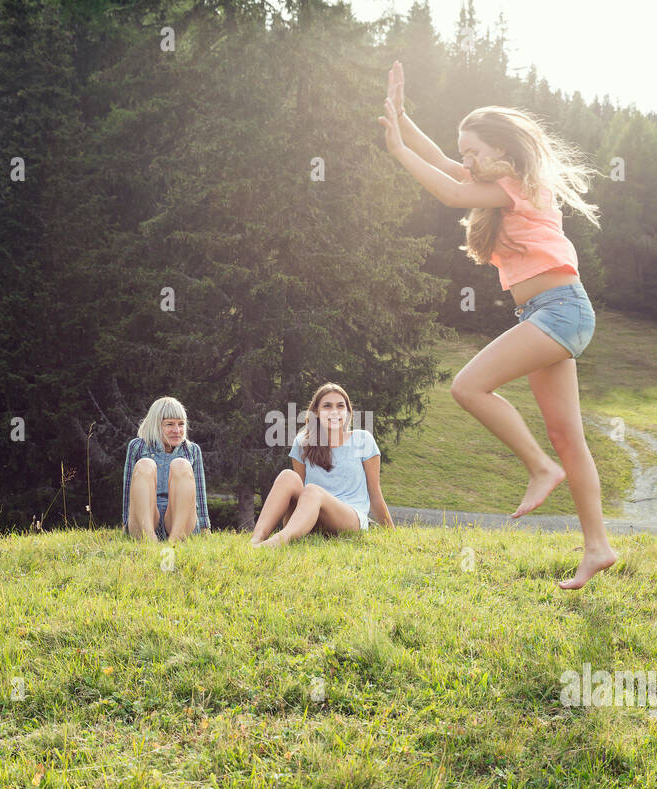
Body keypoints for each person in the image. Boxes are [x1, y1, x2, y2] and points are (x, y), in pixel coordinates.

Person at [377, 61, 617, 589]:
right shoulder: (500, 181)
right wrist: (404, 115)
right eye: (465, 154)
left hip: (560, 309)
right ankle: (597, 546)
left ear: (502, 151)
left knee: (468, 385)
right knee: (568, 436)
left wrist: (396, 149)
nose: (466, 161)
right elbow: (441, 162)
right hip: (548, 313)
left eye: (474, 152)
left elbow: (449, 192)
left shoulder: (514, 185)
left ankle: (539, 468)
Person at [250, 383, 393, 547]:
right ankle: (256, 540)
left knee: (312, 490)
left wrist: (391, 534)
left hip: (350, 518)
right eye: (327, 406)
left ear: (347, 412)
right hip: (311, 517)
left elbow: (374, 493)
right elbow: (297, 490)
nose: (334, 411)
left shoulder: (363, 440)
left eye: (340, 406)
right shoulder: (303, 443)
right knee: (287, 476)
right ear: (316, 412)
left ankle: (278, 541)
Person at [121, 396, 211, 542]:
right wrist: (126, 525)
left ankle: (174, 542)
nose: (177, 430)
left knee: (181, 465)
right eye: (169, 424)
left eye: (181, 424)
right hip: (146, 519)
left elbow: (200, 494)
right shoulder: (137, 446)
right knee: (145, 464)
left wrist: (205, 528)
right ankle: (149, 540)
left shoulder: (192, 450)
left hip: (181, 521)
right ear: (155, 425)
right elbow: (128, 494)